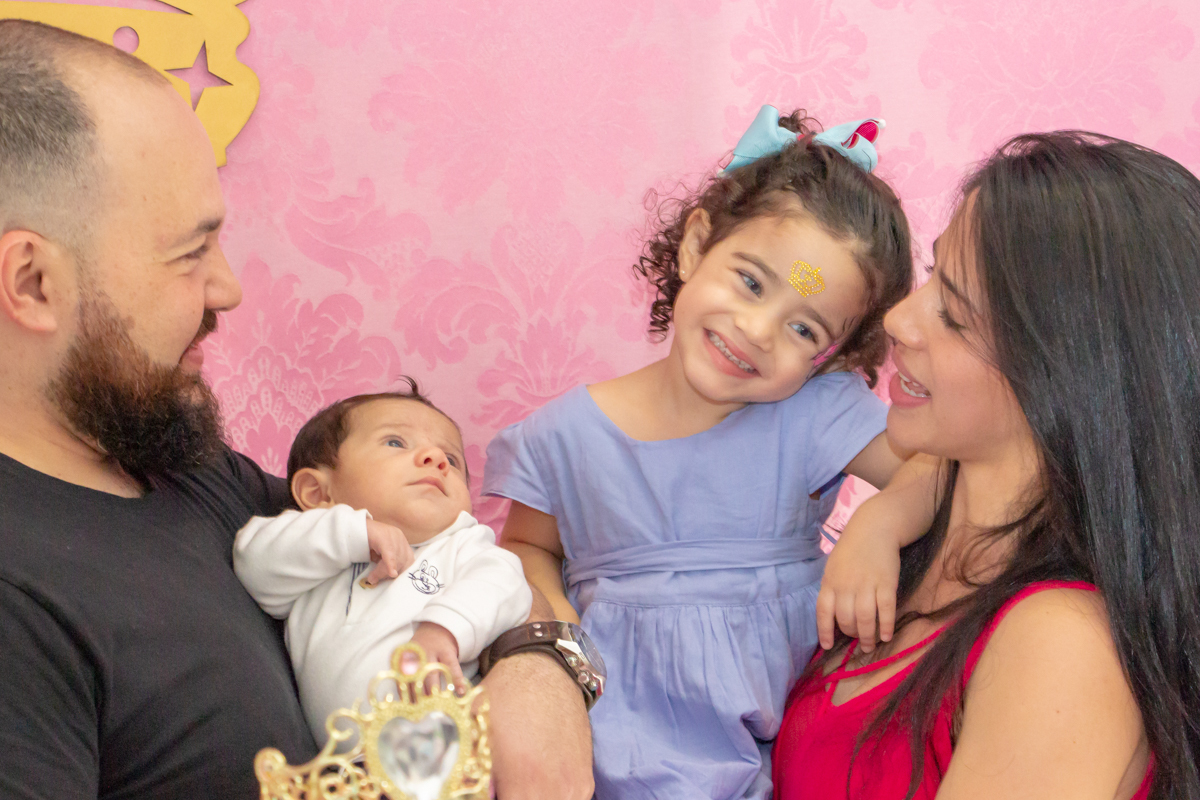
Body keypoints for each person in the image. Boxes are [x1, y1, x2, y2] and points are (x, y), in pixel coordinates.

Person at [0, 19, 592, 800]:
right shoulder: (21, 605)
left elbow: (438, 557)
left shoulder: (178, 461)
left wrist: (539, 666)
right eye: (189, 252)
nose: (227, 287)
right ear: (34, 282)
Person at [483, 105, 916, 799]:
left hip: (793, 739)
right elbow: (529, 547)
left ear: (834, 353)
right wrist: (556, 638)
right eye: (749, 281)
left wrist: (880, 523)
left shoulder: (814, 414)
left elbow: (941, 467)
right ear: (695, 245)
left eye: (804, 327)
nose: (756, 331)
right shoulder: (562, 436)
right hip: (619, 735)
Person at [772, 131, 1200, 798]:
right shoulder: (919, 528)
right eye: (935, 274)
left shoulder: (1059, 648)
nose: (902, 320)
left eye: (958, 317)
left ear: (1070, 376)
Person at [234, 382, 532, 745]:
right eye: (396, 442)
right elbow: (255, 563)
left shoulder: (463, 546)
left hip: (447, 754)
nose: (435, 459)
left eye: (451, 460)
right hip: (341, 772)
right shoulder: (314, 544)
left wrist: (445, 629)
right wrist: (354, 534)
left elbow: (504, 582)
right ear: (319, 493)